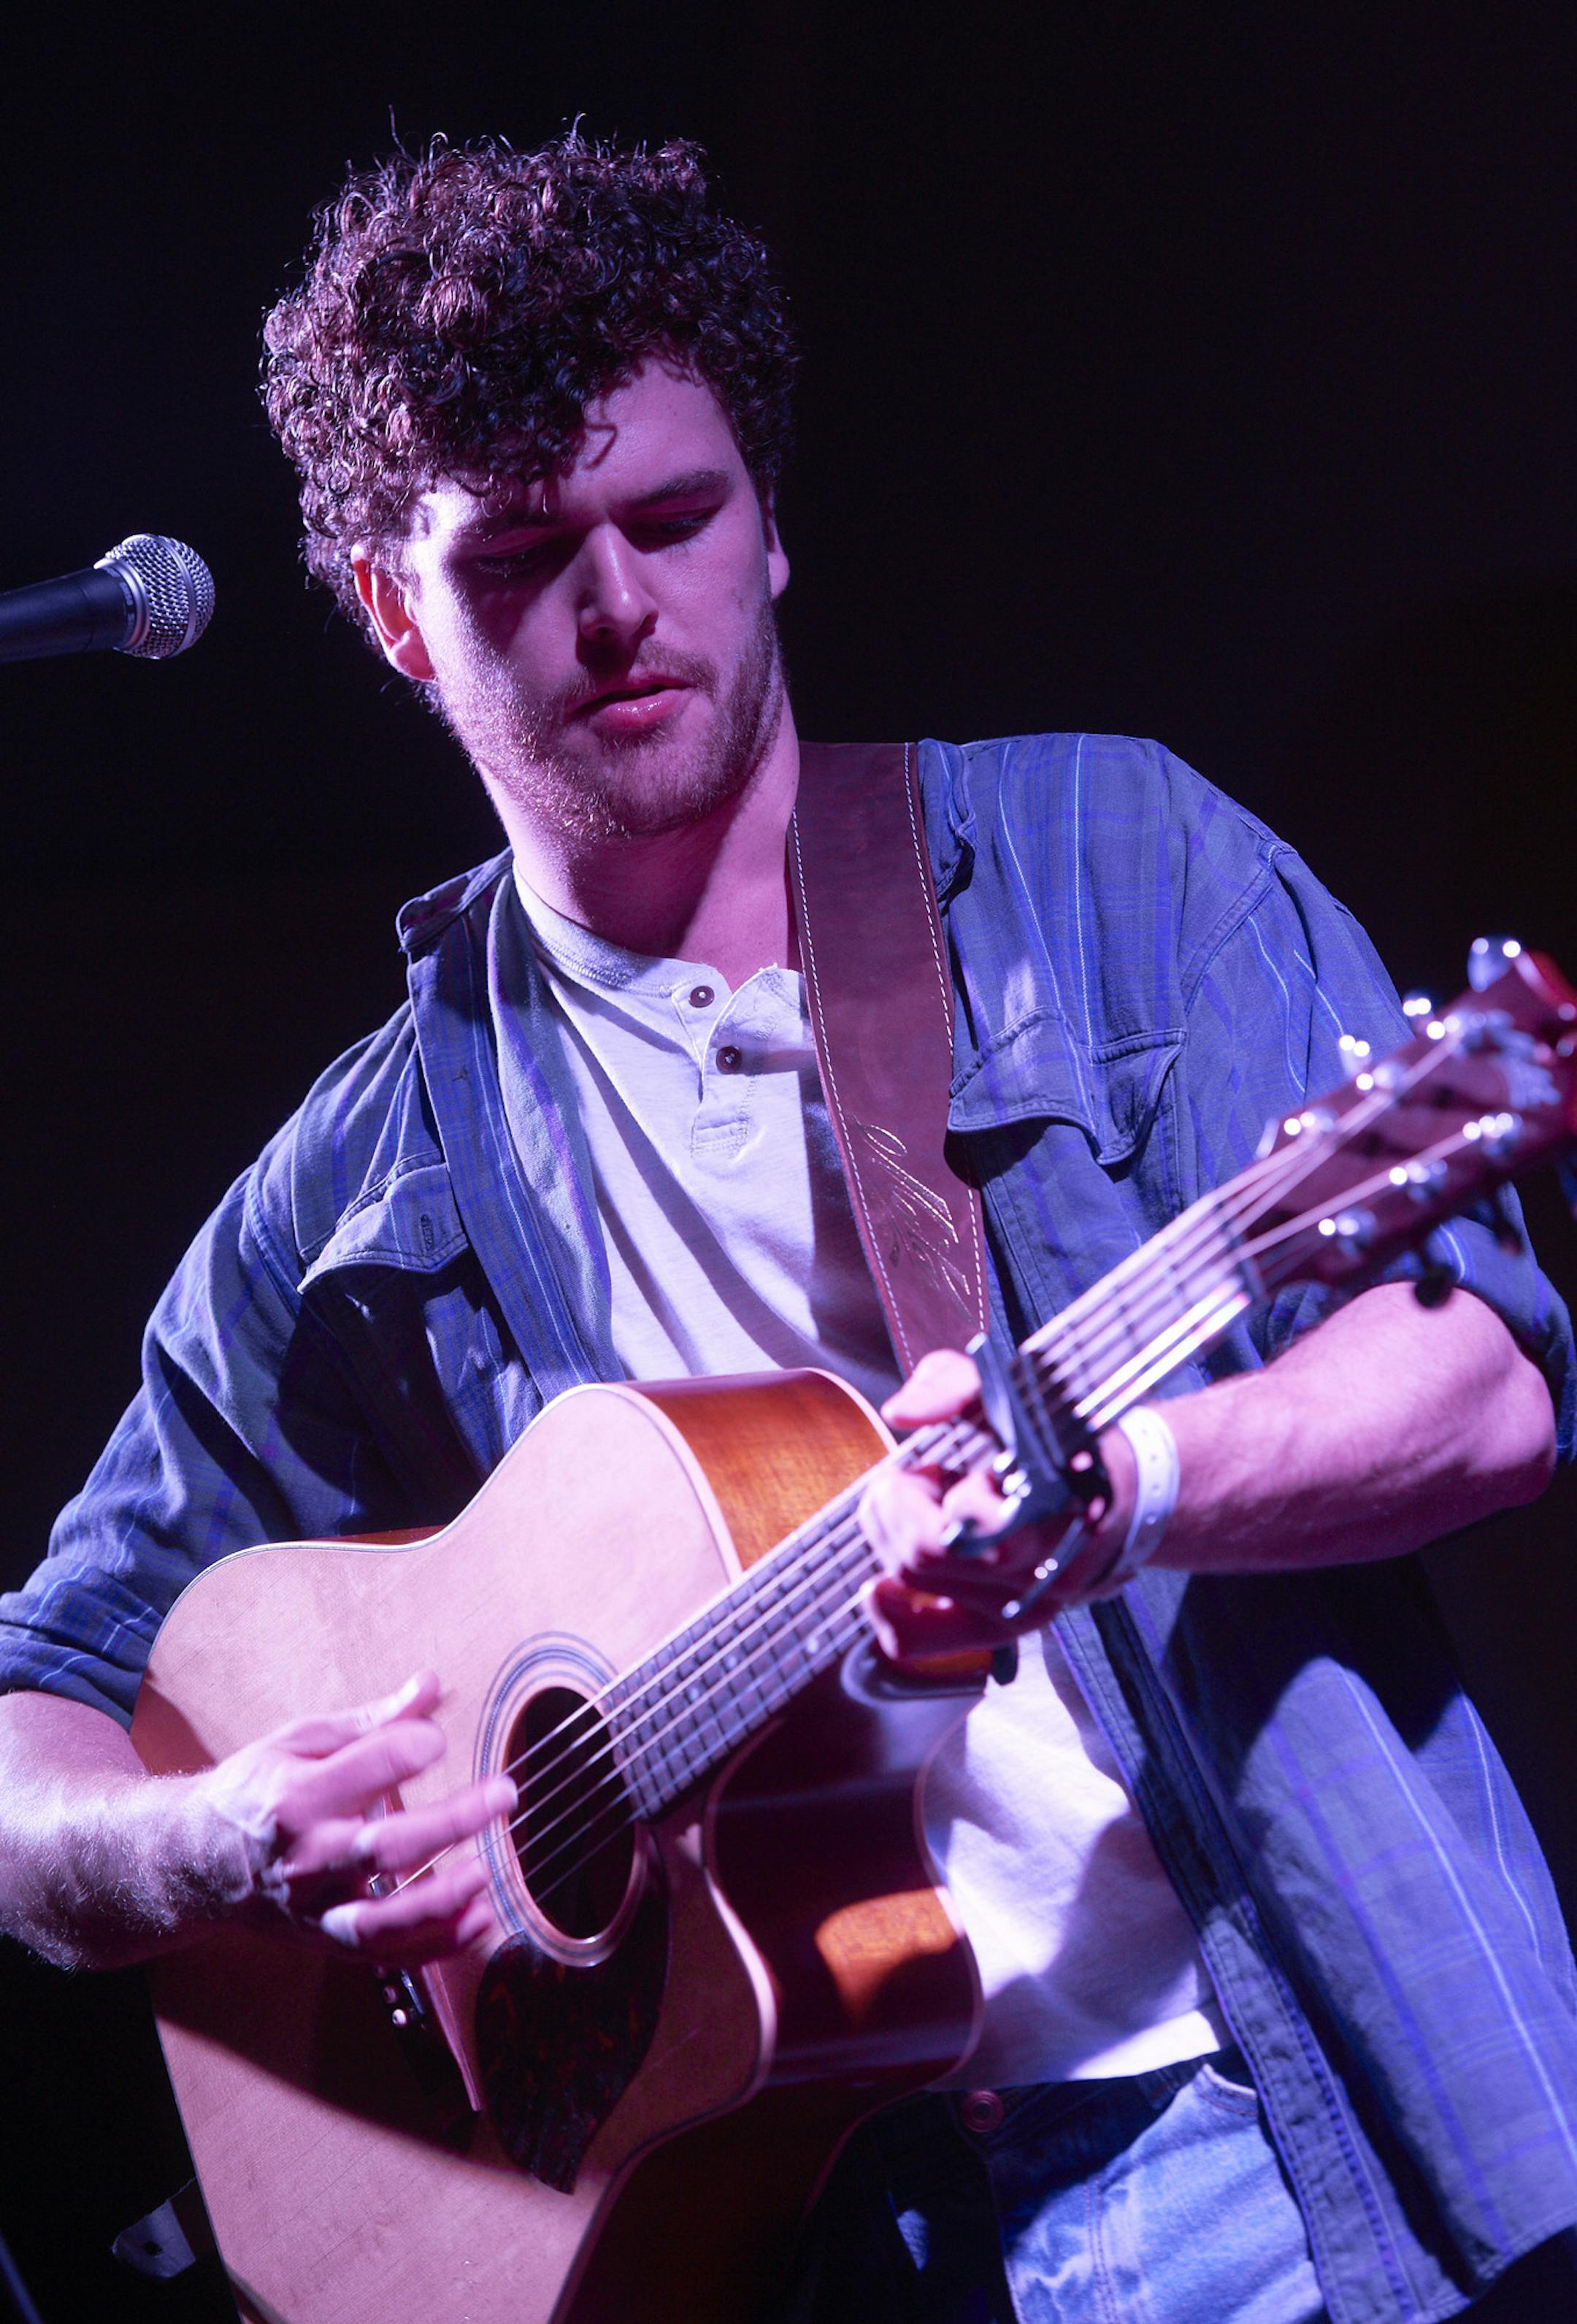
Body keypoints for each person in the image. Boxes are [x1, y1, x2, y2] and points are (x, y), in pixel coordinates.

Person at [0, 134, 1573, 2323]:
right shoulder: (353, 1194)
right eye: (526, 555)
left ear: (772, 519)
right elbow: (26, 1732)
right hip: (774, 2229)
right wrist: (224, 1839)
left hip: (1250, 2146)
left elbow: (1483, 1373)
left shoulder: (1110, 866)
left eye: (676, 516)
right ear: (390, 611)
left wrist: (1121, 1490)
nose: (620, 602)